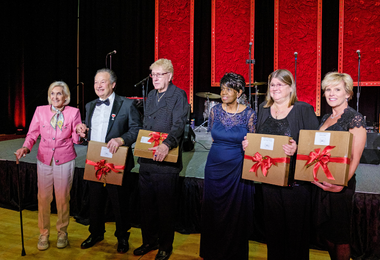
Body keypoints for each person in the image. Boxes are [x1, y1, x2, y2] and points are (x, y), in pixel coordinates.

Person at [244, 69, 319, 259]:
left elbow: (315, 145)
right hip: (269, 180)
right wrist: (249, 144)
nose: (275, 88)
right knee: (274, 231)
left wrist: (298, 149)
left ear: (290, 87)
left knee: (296, 234)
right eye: (272, 85)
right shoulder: (263, 109)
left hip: (296, 184)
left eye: (280, 84)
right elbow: (261, 140)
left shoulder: (303, 109)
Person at [77, 68, 142, 253]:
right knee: (95, 200)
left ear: (113, 84)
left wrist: (121, 140)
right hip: (95, 159)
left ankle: (122, 237)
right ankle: (96, 232)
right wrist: (83, 131)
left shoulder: (127, 105)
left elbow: (137, 129)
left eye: (102, 82)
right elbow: (89, 130)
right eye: (96, 82)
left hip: (117, 160)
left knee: (119, 201)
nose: (98, 85)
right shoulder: (90, 105)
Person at [15, 81, 82, 250]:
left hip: (65, 159)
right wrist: (25, 147)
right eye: (52, 93)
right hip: (44, 159)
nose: (55, 97)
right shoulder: (40, 111)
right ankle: (43, 234)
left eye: (59, 94)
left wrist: (81, 132)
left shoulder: (73, 112)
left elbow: (76, 139)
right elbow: (32, 133)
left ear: (65, 97)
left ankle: (62, 232)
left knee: (62, 198)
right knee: (43, 198)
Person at [133, 58, 188, 260]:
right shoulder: (150, 95)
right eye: (153, 74)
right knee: (147, 206)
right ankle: (149, 241)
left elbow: (179, 124)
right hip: (147, 160)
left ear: (169, 76)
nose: (155, 78)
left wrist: (167, 144)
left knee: (165, 208)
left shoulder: (178, 95)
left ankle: (165, 246)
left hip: (166, 161)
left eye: (159, 74)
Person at [200, 72, 256, 260]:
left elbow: (253, 142)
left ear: (239, 92)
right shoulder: (215, 110)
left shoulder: (249, 114)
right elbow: (215, 136)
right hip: (214, 166)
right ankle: (212, 252)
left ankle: (234, 253)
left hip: (237, 167)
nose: (223, 92)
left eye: (228, 89)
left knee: (235, 211)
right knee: (213, 209)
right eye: (222, 88)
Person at [312, 72, 366, 260]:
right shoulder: (325, 117)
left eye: (337, 89)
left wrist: (341, 183)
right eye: (328, 89)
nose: (331, 93)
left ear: (348, 94)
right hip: (322, 183)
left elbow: (355, 156)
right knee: (326, 233)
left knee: (340, 236)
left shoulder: (355, 118)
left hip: (341, 185)